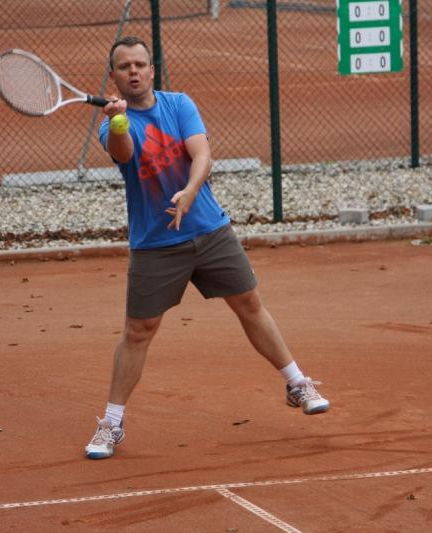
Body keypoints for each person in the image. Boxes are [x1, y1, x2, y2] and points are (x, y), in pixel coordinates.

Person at [85, 36, 329, 460]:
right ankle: (111, 422)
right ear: (114, 76)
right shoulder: (112, 124)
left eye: (140, 64)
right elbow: (123, 154)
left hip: (210, 230)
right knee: (138, 331)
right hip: (155, 244)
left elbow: (202, 155)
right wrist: (120, 121)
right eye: (124, 67)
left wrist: (190, 192)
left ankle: (297, 383)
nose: (134, 72)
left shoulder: (179, 104)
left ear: (152, 71)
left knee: (249, 303)